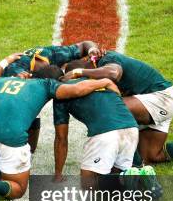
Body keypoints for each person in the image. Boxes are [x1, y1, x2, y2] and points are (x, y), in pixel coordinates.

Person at [0, 55, 119, 201]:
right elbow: (77, 89)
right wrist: (104, 81)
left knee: (3, 130)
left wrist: (5, 62)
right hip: (9, 140)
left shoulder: (5, 80)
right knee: (18, 189)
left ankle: (0, 172)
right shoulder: (46, 85)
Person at [62, 51, 173, 165]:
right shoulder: (100, 65)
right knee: (153, 156)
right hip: (152, 101)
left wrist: (78, 72)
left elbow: (114, 74)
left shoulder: (106, 60)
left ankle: (133, 167)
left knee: (113, 110)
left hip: (161, 99)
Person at [55, 59, 161, 192]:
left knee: (88, 183)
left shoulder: (62, 91)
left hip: (106, 133)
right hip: (131, 128)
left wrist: (58, 174)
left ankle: (132, 182)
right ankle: (139, 179)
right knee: (118, 174)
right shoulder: (102, 83)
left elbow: (61, 138)